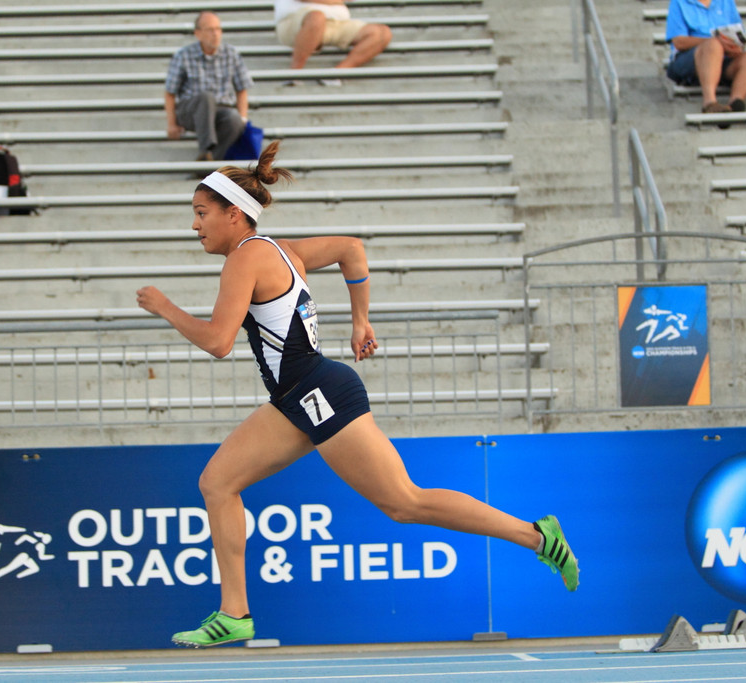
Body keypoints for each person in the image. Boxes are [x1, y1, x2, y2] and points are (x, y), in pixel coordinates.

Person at [135, 141, 579, 649]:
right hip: (296, 398)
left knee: (405, 503)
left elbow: (218, 341)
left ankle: (538, 536)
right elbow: (351, 248)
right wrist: (361, 318)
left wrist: (166, 307)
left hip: (318, 392)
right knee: (217, 483)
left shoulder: (245, 258)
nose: (195, 226)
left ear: (234, 214)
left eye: (200, 214)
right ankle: (234, 613)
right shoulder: (284, 249)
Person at [165, 11, 253, 162]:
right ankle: (205, 148)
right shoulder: (183, 55)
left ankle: (208, 162)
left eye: (218, 29)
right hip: (192, 110)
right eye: (210, 29)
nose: (216, 34)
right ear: (198, 33)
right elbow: (170, 93)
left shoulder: (231, 54)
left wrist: (243, 118)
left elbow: (242, 89)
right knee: (206, 98)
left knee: (234, 119)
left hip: (221, 110)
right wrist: (171, 124)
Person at [665, 0, 746, 114]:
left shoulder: (726, 2)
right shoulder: (679, 2)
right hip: (690, 59)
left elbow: (739, 34)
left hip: (723, 58)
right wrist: (715, 41)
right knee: (713, 45)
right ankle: (709, 102)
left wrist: (735, 47)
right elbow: (679, 42)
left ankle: (736, 102)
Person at [274, 0, 392, 86]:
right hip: (295, 20)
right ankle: (294, 74)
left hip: (336, 21)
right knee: (316, 17)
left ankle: (336, 74)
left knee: (382, 33)